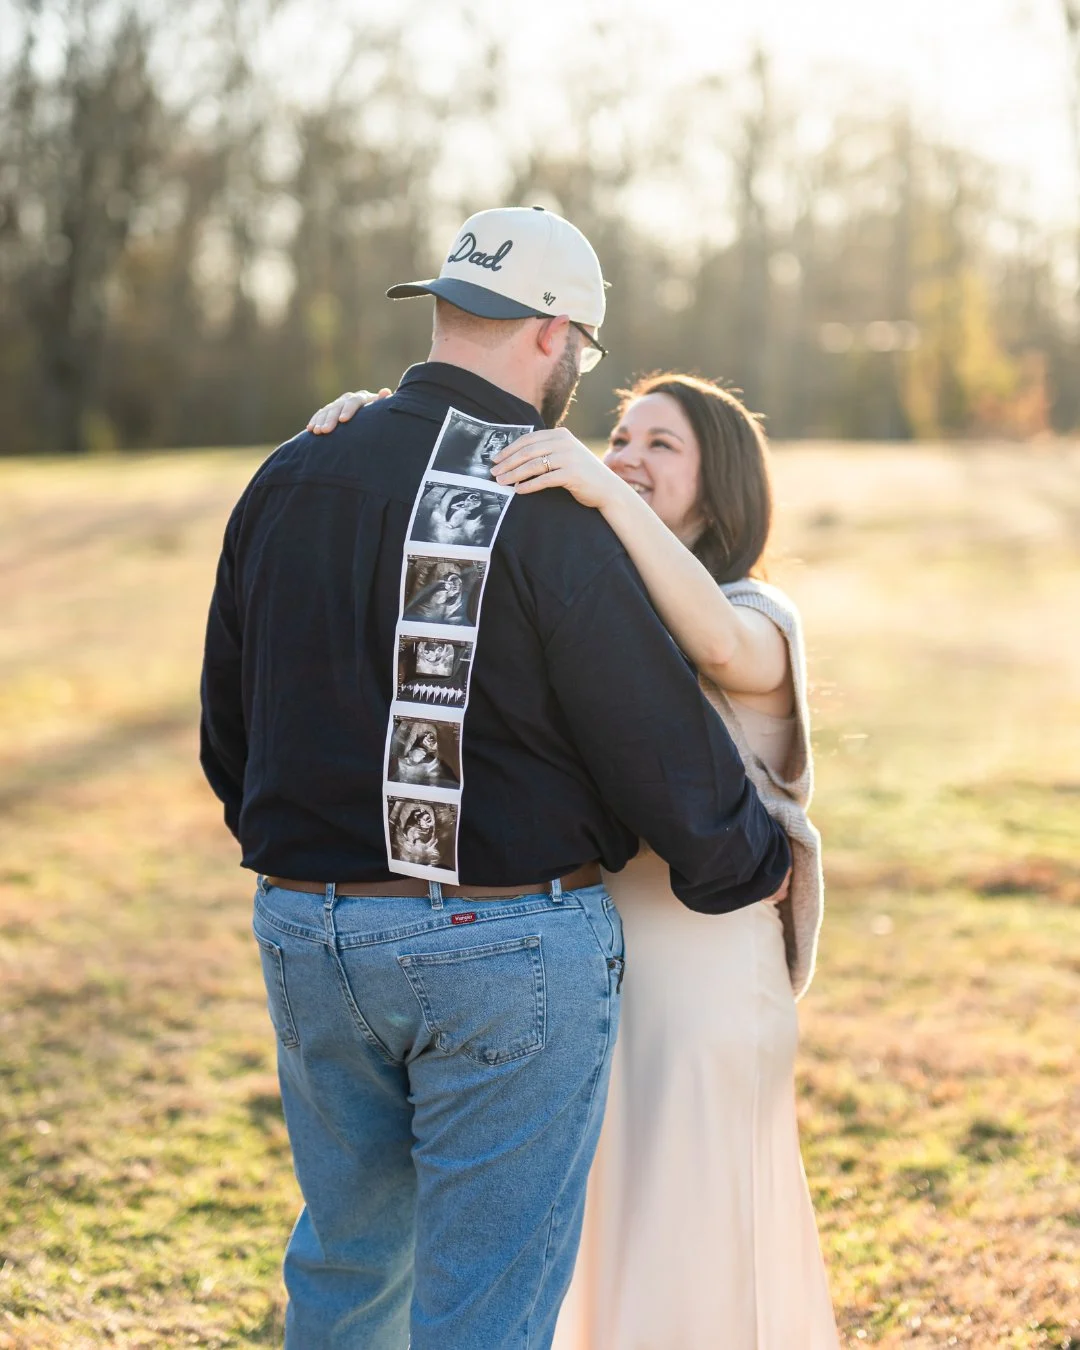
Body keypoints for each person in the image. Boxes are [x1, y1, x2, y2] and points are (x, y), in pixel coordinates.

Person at [200, 206, 791, 1350]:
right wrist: (748, 862)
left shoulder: (294, 467)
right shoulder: (537, 493)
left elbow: (231, 718)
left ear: (442, 308)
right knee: (485, 1302)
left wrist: (311, 863)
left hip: (306, 929)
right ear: (555, 334)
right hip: (501, 945)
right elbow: (646, 731)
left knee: (346, 1260)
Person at [309, 373, 839, 1348]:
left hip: (704, 971)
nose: (627, 454)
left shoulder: (758, 614)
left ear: (719, 489)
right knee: (592, 1230)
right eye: (619, 434)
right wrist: (373, 430)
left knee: (690, 1231)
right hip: (585, 958)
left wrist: (598, 488)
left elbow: (716, 644)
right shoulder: (596, 608)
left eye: (660, 445)